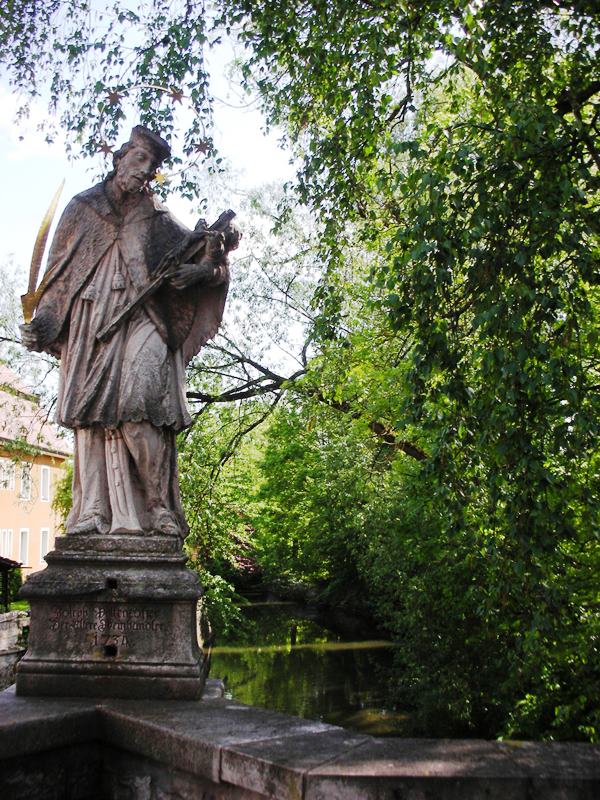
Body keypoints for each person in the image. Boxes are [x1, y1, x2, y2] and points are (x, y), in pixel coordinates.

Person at [20, 126, 238, 538]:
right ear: (120, 158)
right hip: (91, 321)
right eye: (139, 159)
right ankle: (94, 511)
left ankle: (157, 506)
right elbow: (58, 281)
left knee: (141, 407)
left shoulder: (156, 216)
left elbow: (209, 258)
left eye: (152, 166)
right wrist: (43, 327)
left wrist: (205, 267)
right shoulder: (83, 208)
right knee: (90, 417)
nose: (144, 171)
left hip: (146, 319)